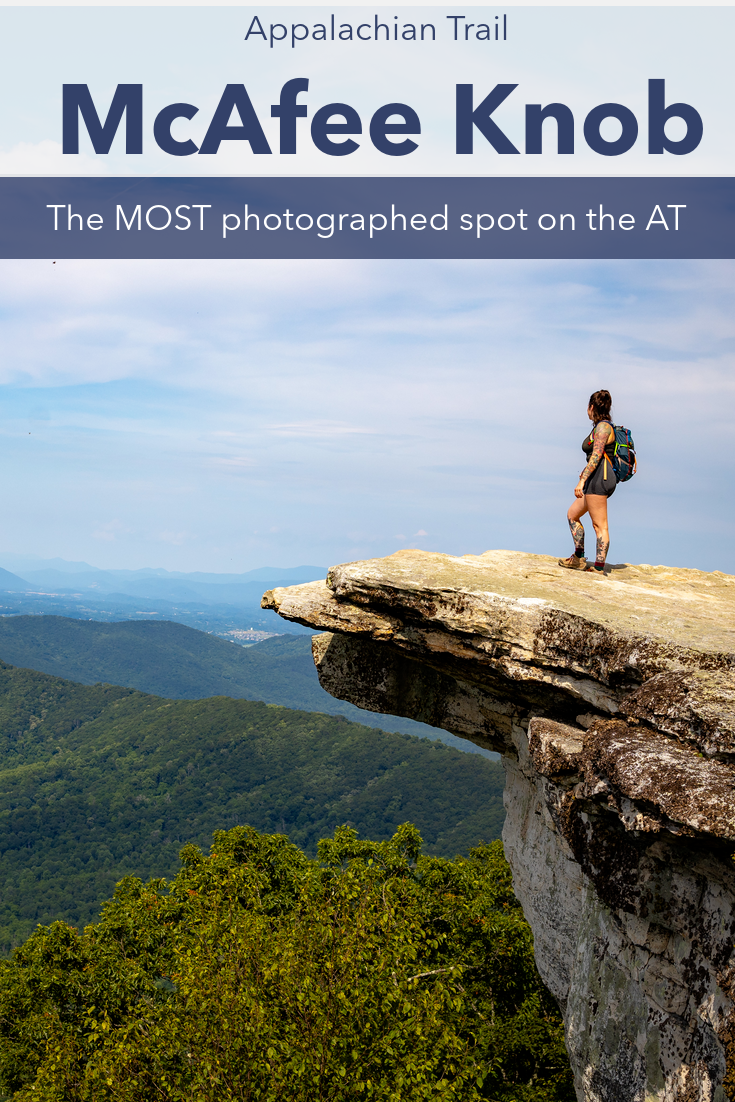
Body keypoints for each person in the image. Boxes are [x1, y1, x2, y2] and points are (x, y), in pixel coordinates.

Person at [558, 389, 616, 575]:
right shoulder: (599, 426)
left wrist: (582, 481)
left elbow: (597, 456)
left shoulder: (604, 428)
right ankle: (578, 556)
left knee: (600, 525)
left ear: (591, 407)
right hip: (594, 477)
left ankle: (599, 567)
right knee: (572, 514)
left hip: (600, 479)